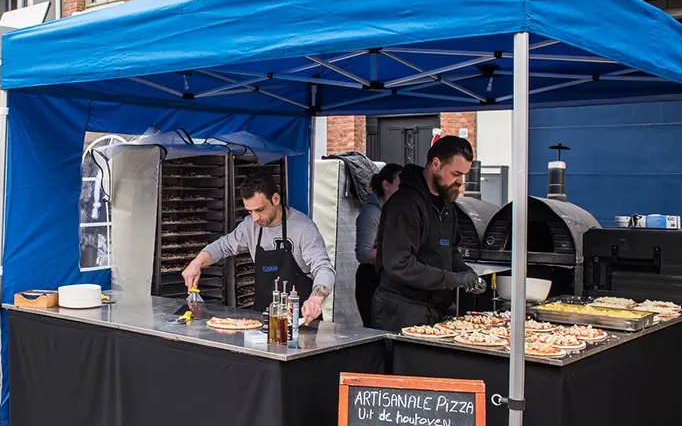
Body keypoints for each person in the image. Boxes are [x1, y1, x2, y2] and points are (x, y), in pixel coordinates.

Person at [182, 172, 334, 324]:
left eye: (260, 210)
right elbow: (223, 246)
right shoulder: (250, 226)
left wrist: (315, 299)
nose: (254, 218)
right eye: (250, 211)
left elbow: (323, 268)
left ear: (275, 199)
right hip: (262, 319)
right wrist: (197, 262)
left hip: (300, 320)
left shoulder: (303, 229)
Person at [371, 136, 485, 332]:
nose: (460, 182)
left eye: (464, 175)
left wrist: (466, 273)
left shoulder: (447, 204)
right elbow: (399, 264)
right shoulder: (405, 205)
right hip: (400, 311)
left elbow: (451, 251)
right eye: (456, 173)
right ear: (435, 164)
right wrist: (453, 280)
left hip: (434, 310)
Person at [354, 163, 402, 327]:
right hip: (371, 281)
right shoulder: (371, 213)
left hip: (387, 278)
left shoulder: (393, 210)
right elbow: (363, 253)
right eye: (399, 184)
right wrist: (394, 253)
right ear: (386, 185)